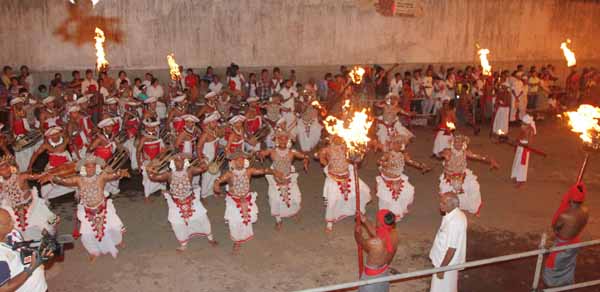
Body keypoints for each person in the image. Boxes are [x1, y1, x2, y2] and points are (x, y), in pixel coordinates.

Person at [52, 155, 129, 261]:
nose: (91, 169)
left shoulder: (101, 176)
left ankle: (118, 242)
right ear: (84, 168)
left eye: (93, 166)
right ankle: (94, 251)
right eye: (88, 167)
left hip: (103, 208)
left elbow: (113, 176)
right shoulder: (78, 179)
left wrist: (120, 173)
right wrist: (53, 177)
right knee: (87, 234)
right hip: (87, 211)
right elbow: (64, 181)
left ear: (96, 167)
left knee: (114, 227)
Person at [148, 153, 217, 251]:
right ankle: (183, 243)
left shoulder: (190, 170)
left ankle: (210, 238)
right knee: (177, 223)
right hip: (176, 203)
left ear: (185, 162)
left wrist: (203, 161)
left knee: (203, 218)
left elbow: (203, 169)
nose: (179, 162)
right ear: (173, 162)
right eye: (176, 160)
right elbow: (153, 177)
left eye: (181, 160)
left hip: (191, 199)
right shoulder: (168, 174)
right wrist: (149, 168)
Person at [213, 151, 280, 253]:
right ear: (233, 163)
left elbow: (263, 170)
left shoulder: (249, 171)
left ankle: (245, 234)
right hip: (234, 200)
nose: (240, 162)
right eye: (237, 160)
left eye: (242, 160)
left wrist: (274, 171)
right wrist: (216, 184)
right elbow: (218, 180)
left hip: (246, 198)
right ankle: (236, 241)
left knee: (247, 219)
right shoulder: (229, 174)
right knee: (235, 221)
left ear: (245, 162)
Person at [317, 135, 371, 232]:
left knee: (362, 191)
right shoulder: (326, 150)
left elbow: (355, 157)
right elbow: (321, 159)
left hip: (347, 175)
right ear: (332, 138)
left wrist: (361, 154)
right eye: (335, 137)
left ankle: (358, 212)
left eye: (339, 137)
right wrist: (328, 165)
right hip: (334, 177)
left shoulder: (347, 146)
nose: (338, 139)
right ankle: (330, 222)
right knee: (332, 200)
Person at [258, 127, 309, 230]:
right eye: (280, 138)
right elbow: (260, 153)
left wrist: (305, 161)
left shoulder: (292, 152)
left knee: (296, 197)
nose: (282, 140)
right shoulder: (272, 151)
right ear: (276, 140)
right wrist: (260, 154)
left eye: (285, 139)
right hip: (275, 178)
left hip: (289, 178)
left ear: (288, 140)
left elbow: (305, 156)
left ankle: (293, 212)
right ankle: (278, 220)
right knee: (275, 199)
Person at [0, 156, 57, 241]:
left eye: (7, 167)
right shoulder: (1, 183)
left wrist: (48, 176)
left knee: (49, 222)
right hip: (13, 210)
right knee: (12, 229)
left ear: (11, 166)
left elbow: (38, 176)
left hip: (31, 206)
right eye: (2, 169)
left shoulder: (21, 177)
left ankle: (52, 240)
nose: (6, 170)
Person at [543, 183, 589, 287]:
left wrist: (563, 205)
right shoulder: (586, 211)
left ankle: (552, 287)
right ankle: (564, 284)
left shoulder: (566, 215)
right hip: (575, 242)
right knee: (568, 265)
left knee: (554, 268)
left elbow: (555, 227)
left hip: (562, 245)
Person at [439, 135, 499, 215]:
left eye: (460, 142)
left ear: (463, 144)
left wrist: (490, 160)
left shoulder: (465, 152)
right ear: (453, 143)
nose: (458, 144)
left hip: (462, 176)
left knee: (474, 186)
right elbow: (440, 154)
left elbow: (479, 157)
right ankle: (449, 211)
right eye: (456, 142)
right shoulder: (448, 151)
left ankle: (472, 207)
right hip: (449, 178)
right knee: (447, 193)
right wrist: (443, 154)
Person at [376, 134, 429, 221]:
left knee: (406, 192)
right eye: (397, 143)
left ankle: (395, 213)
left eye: (401, 143)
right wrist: (385, 164)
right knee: (387, 198)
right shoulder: (387, 154)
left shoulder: (403, 155)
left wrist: (420, 166)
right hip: (387, 180)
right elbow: (379, 161)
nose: (399, 145)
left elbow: (411, 162)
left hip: (398, 179)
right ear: (392, 144)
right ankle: (386, 214)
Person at [0, 208, 49, 292]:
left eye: (11, 219)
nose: (13, 222)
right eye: (8, 222)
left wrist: (40, 255)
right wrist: (32, 267)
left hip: (40, 288)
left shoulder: (13, 233)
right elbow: (4, 289)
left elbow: (22, 250)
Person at [429, 192, 467, 292]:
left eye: (444, 203)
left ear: (453, 204)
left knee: (442, 288)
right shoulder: (452, 214)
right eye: (441, 202)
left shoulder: (455, 222)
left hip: (446, 264)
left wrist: (442, 269)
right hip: (443, 261)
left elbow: (452, 249)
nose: (440, 205)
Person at [354, 209, 399, 292]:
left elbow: (360, 240)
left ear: (379, 223)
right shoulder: (395, 234)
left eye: (377, 219)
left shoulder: (374, 242)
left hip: (371, 277)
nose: (376, 220)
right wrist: (364, 220)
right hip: (384, 272)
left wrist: (357, 232)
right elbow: (379, 233)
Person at [510, 114, 536, 188]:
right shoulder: (523, 128)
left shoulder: (531, 131)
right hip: (520, 147)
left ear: (528, 124)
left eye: (524, 124)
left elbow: (530, 144)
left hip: (524, 149)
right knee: (517, 162)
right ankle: (515, 176)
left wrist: (521, 144)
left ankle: (521, 180)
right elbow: (519, 136)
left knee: (522, 165)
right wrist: (516, 141)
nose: (522, 125)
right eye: (522, 123)